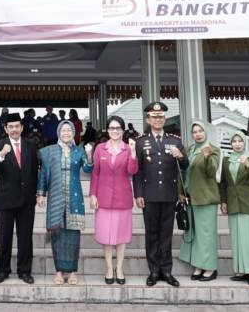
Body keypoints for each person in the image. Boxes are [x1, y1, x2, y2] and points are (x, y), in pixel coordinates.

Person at [133, 101, 188, 287]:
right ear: (148, 119)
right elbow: (138, 171)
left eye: (161, 116)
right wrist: (138, 194)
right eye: (154, 117)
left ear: (164, 118)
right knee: (152, 233)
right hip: (149, 195)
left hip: (168, 194)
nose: (158, 119)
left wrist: (180, 156)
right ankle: (154, 271)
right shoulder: (141, 142)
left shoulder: (175, 141)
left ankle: (167, 270)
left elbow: (185, 166)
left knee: (166, 234)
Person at [37, 120, 94, 285]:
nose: (66, 133)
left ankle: (72, 272)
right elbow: (43, 174)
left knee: (73, 236)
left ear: (73, 133)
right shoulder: (50, 152)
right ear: (58, 133)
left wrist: (89, 155)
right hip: (55, 198)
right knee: (57, 236)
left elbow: (88, 169)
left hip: (74, 199)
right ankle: (59, 272)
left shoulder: (79, 151)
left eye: (69, 130)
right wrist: (41, 194)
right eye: (63, 131)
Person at [0, 112, 38, 284]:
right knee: (4, 237)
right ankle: (2, 270)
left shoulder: (31, 145)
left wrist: (37, 193)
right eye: (11, 127)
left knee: (25, 237)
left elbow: (34, 172)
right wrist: (2, 155)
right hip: (6, 200)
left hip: (26, 200)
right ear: (5, 128)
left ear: (22, 127)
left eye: (17, 126)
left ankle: (24, 270)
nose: (14, 129)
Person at [89, 116, 138, 285]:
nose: (115, 131)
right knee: (106, 236)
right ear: (107, 130)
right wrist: (93, 195)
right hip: (103, 198)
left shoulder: (128, 148)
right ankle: (109, 268)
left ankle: (120, 268)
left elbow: (132, 171)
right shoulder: (100, 148)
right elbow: (95, 173)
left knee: (121, 236)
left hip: (122, 198)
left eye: (118, 128)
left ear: (123, 130)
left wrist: (132, 153)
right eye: (111, 128)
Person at [179, 120, 223, 281]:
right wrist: (180, 192)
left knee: (206, 235)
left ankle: (210, 267)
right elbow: (182, 172)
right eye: (195, 132)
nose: (197, 134)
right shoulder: (189, 150)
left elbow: (212, 171)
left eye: (200, 131)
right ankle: (199, 265)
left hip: (205, 198)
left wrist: (206, 157)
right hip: (190, 197)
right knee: (196, 234)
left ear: (206, 133)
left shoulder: (213, 150)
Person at [219, 132, 249, 285]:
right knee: (237, 238)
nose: (237, 144)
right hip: (233, 204)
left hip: (248, 203)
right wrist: (223, 201)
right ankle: (240, 270)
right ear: (231, 144)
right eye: (234, 141)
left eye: (240, 141)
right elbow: (224, 183)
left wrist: (248, 166)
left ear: (244, 143)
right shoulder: (226, 160)